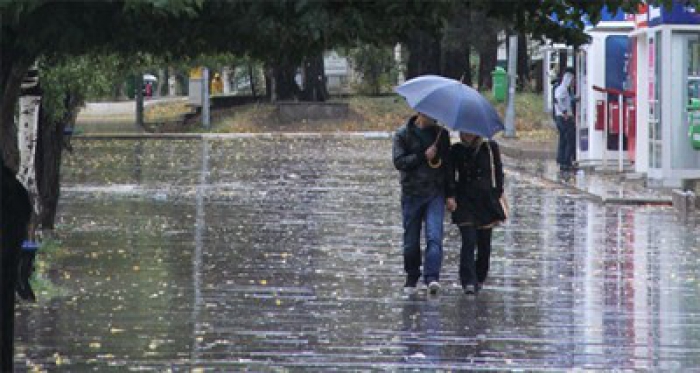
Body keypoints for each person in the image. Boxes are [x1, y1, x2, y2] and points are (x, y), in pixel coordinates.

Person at [393, 112, 453, 295]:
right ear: (420, 113)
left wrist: (450, 194)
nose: (433, 117)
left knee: (434, 236)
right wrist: (422, 156)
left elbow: (447, 166)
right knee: (411, 241)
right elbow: (399, 162)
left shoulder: (441, 135)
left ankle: (432, 277)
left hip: (435, 192)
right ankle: (412, 276)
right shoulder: (403, 134)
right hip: (412, 193)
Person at [447, 132, 505, 295]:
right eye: (464, 131)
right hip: (465, 201)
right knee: (469, 240)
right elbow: (450, 175)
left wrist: (497, 192)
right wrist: (450, 195)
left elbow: (498, 172)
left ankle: (480, 277)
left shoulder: (490, 148)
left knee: (484, 244)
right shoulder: (456, 150)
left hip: (486, 201)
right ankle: (468, 280)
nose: (467, 135)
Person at [554, 67, 577, 171]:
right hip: (564, 118)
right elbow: (558, 100)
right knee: (569, 140)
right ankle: (566, 161)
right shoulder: (562, 89)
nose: (574, 82)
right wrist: (565, 112)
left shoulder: (564, 90)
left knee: (563, 140)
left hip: (561, 117)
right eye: (573, 80)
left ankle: (562, 160)